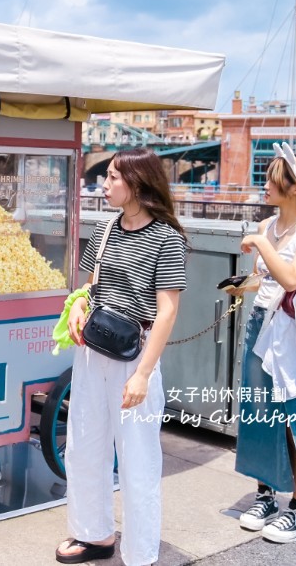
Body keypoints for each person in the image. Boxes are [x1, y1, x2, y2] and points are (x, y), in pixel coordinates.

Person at [56, 147, 187, 566]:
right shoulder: (106, 227)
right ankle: (93, 534)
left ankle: (141, 553)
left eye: (113, 177)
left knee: (137, 458)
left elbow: (167, 310)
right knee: (84, 445)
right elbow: (90, 286)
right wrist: (78, 304)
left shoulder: (167, 238)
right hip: (94, 351)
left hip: (135, 356)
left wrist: (144, 374)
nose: (105, 184)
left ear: (137, 182)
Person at [228, 145, 296, 543]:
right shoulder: (270, 225)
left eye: (273, 178)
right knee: (259, 414)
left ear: (294, 188)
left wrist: (260, 242)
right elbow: (269, 280)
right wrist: (245, 285)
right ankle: (266, 493)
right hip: (262, 322)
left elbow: (292, 278)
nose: (266, 184)